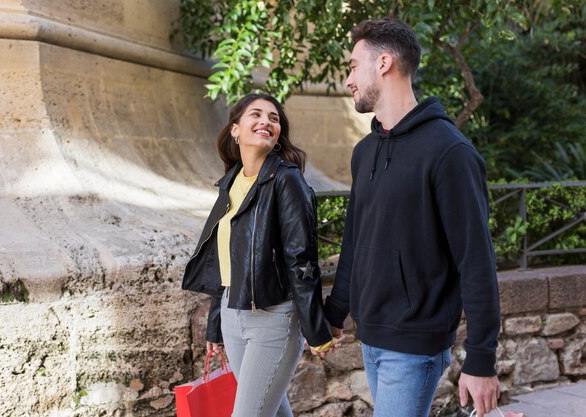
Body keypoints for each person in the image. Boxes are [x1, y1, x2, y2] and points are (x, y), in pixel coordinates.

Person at [322, 19, 501, 417]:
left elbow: (476, 260)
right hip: (370, 335)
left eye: (353, 66)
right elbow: (355, 238)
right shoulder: (365, 151)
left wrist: (481, 360)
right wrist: (335, 313)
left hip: (415, 342)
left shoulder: (450, 152)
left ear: (383, 62)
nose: (348, 79)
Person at [182, 92, 339, 417]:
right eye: (256, 114)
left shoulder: (287, 181)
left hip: (274, 319)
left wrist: (316, 329)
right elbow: (223, 261)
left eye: (274, 118)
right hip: (232, 313)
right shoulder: (231, 183)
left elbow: (302, 261)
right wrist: (215, 324)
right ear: (235, 129)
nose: (266, 121)